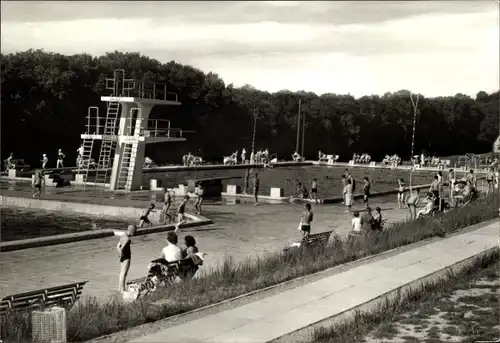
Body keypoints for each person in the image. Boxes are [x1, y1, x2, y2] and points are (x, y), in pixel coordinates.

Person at [117, 224, 137, 293]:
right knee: (124, 273)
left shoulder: (122, 235)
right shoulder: (128, 239)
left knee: (121, 273)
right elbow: (122, 248)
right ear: (132, 232)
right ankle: (122, 289)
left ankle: (119, 288)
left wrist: (120, 256)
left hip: (121, 256)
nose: (134, 234)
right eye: (134, 233)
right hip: (126, 257)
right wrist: (122, 255)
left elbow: (118, 246)